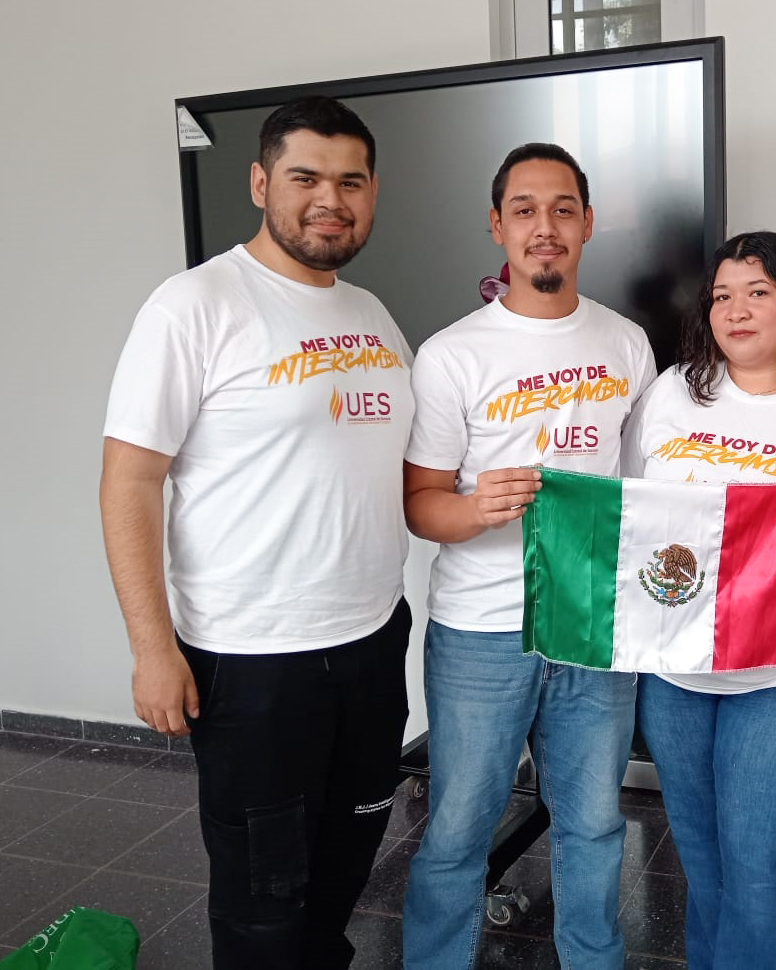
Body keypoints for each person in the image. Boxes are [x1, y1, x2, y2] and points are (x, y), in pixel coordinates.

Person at [99, 96, 413, 970]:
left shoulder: (371, 313)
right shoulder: (194, 304)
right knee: (263, 898)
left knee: (345, 866)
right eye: (305, 177)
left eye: (350, 181)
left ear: (371, 192)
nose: (330, 200)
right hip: (254, 662)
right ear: (259, 182)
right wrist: (152, 649)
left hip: (370, 641)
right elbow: (130, 481)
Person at [401, 143, 657, 969]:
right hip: (482, 631)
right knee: (457, 829)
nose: (543, 227)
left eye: (561, 209)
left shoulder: (627, 343)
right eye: (523, 209)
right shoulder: (451, 354)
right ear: (496, 226)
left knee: (593, 824)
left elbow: (640, 494)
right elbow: (419, 503)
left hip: (590, 624)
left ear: (586, 223)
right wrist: (475, 509)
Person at [623, 231, 776, 969]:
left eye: (758, 293)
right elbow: (632, 514)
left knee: (761, 859)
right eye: (722, 296)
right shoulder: (672, 392)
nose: (736, 310)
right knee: (700, 853)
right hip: (677, 664)